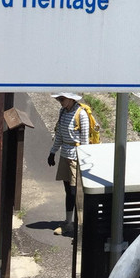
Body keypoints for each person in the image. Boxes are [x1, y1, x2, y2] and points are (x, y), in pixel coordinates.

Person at [47, 91, 89, 237]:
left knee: (75, 192)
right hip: (65, 155)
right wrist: (52, 152)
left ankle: (80, 224)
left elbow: (85, 140)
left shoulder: (81, 114)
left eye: (62, 98)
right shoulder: (63, 112)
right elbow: (59, 134)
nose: (60, 101)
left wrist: (83, 162)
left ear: (71, 98)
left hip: (76, 158)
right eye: (59, 99)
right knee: (68, 192)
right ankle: (68, 222)